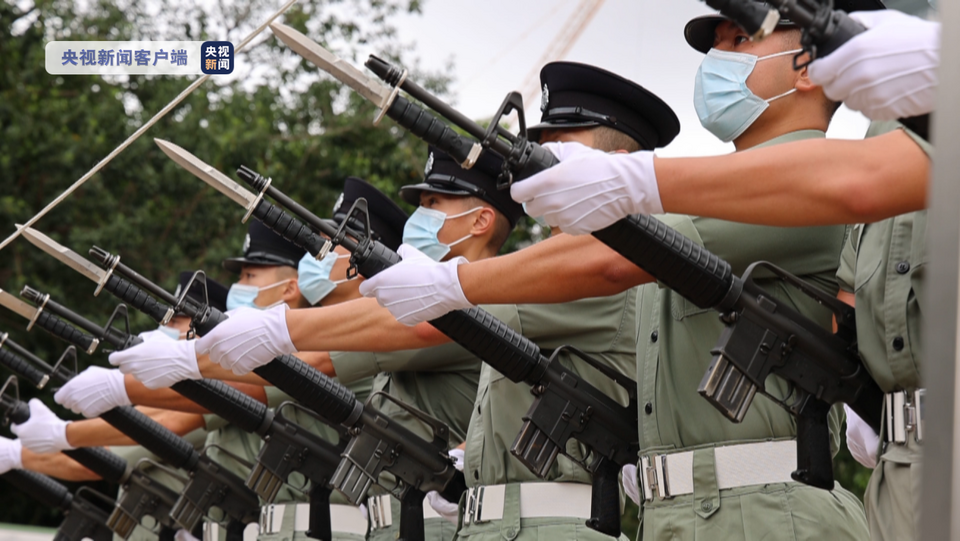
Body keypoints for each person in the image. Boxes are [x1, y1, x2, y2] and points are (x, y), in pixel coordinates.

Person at [360, 17, 876, 540]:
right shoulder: (713, 202)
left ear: (807, 66)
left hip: (763, 511)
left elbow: (608, 261)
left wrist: (452, 286)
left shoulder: (797, 179)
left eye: (740, 41)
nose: (717, 60)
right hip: (687, 511)